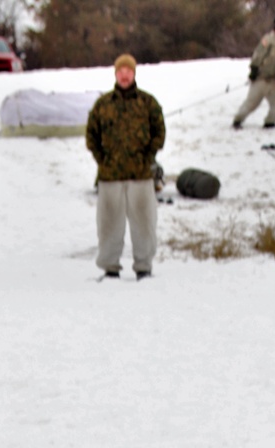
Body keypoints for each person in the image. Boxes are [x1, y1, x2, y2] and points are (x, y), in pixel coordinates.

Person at [85, 55, 166, 281]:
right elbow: (91, 135)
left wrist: (148, 156)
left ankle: (144, 266)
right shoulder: (103, 105)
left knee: (145, 223)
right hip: (110, 176)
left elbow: (159, 132)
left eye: (128, 70)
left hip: (140, 175)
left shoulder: (147, 102)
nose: (124, 74)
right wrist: (102, 160)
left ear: (134, 73)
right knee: (109, 224)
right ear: (115, 73)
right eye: (120, 70)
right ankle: (110, 267)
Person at [233, 17, 275, 129]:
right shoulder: (267, 40)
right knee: (251, 104)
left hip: (273, 80)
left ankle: (270, 122)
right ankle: (237, 121)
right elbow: (258, 55)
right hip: (260, 79)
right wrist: (253, 70)